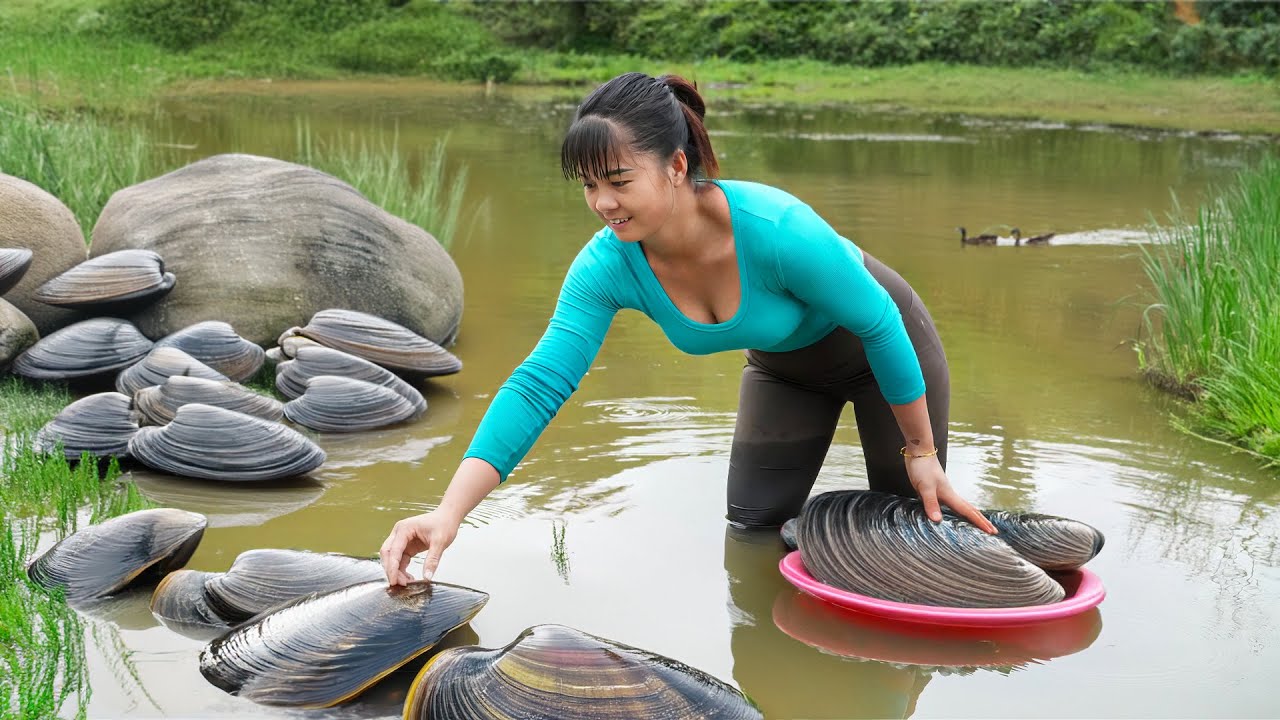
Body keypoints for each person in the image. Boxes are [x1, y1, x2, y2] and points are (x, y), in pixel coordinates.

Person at [381, 71, 996, 587]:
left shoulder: (778, 228)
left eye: (619, 181)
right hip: (785, 371)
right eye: (589, 185)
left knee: (906, 531)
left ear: (676, 166)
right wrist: (449, 511)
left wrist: (921, 452)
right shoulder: (607, 266)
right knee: (751, 531)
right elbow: (540, 382)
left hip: (883, 350)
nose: (602, 203)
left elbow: (880, 323)